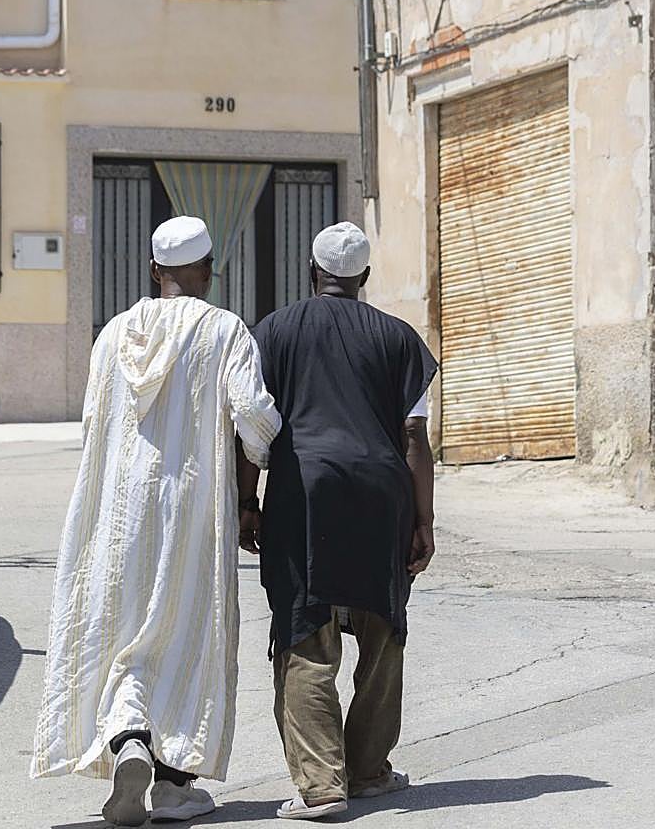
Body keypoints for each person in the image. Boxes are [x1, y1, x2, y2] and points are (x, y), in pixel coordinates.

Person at [31, 216, 282, 826]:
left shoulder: (113, 333)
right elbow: (253, 416)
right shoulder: (225, 331)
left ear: (153, 270)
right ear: (209, 269)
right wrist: (267, 454)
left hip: (118, 513)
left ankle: (128, 743)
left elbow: (94, 422)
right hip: (192, 509)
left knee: (121, 634)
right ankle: (173, 787)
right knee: (184, 632)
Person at [244, 221, 438, 821]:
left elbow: (254, 426)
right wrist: (423, 519)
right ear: (365, 279)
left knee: (306, 629)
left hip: (305, 490)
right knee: (383, 630)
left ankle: (323, 785)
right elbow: (414, 435)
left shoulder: (273, 332)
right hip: (383, 494)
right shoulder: (400, 338)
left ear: (312, 270)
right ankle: (370, 770)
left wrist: (248, 501)